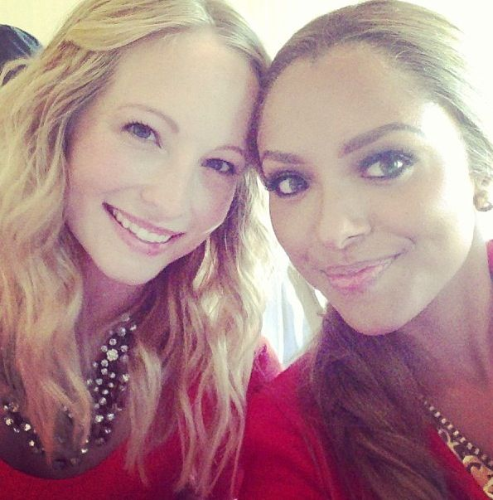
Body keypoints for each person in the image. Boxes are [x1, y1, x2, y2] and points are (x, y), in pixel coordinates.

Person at [0, 0, 280, 498]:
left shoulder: (230, 370)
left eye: (219, 164)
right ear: (61, 116)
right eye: (143, 132)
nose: (171, 203)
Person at [240, 0, 493, 498]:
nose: (334, 231)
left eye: (386, 163)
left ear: (479, 164)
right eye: (290, 182)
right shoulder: (290, 436)